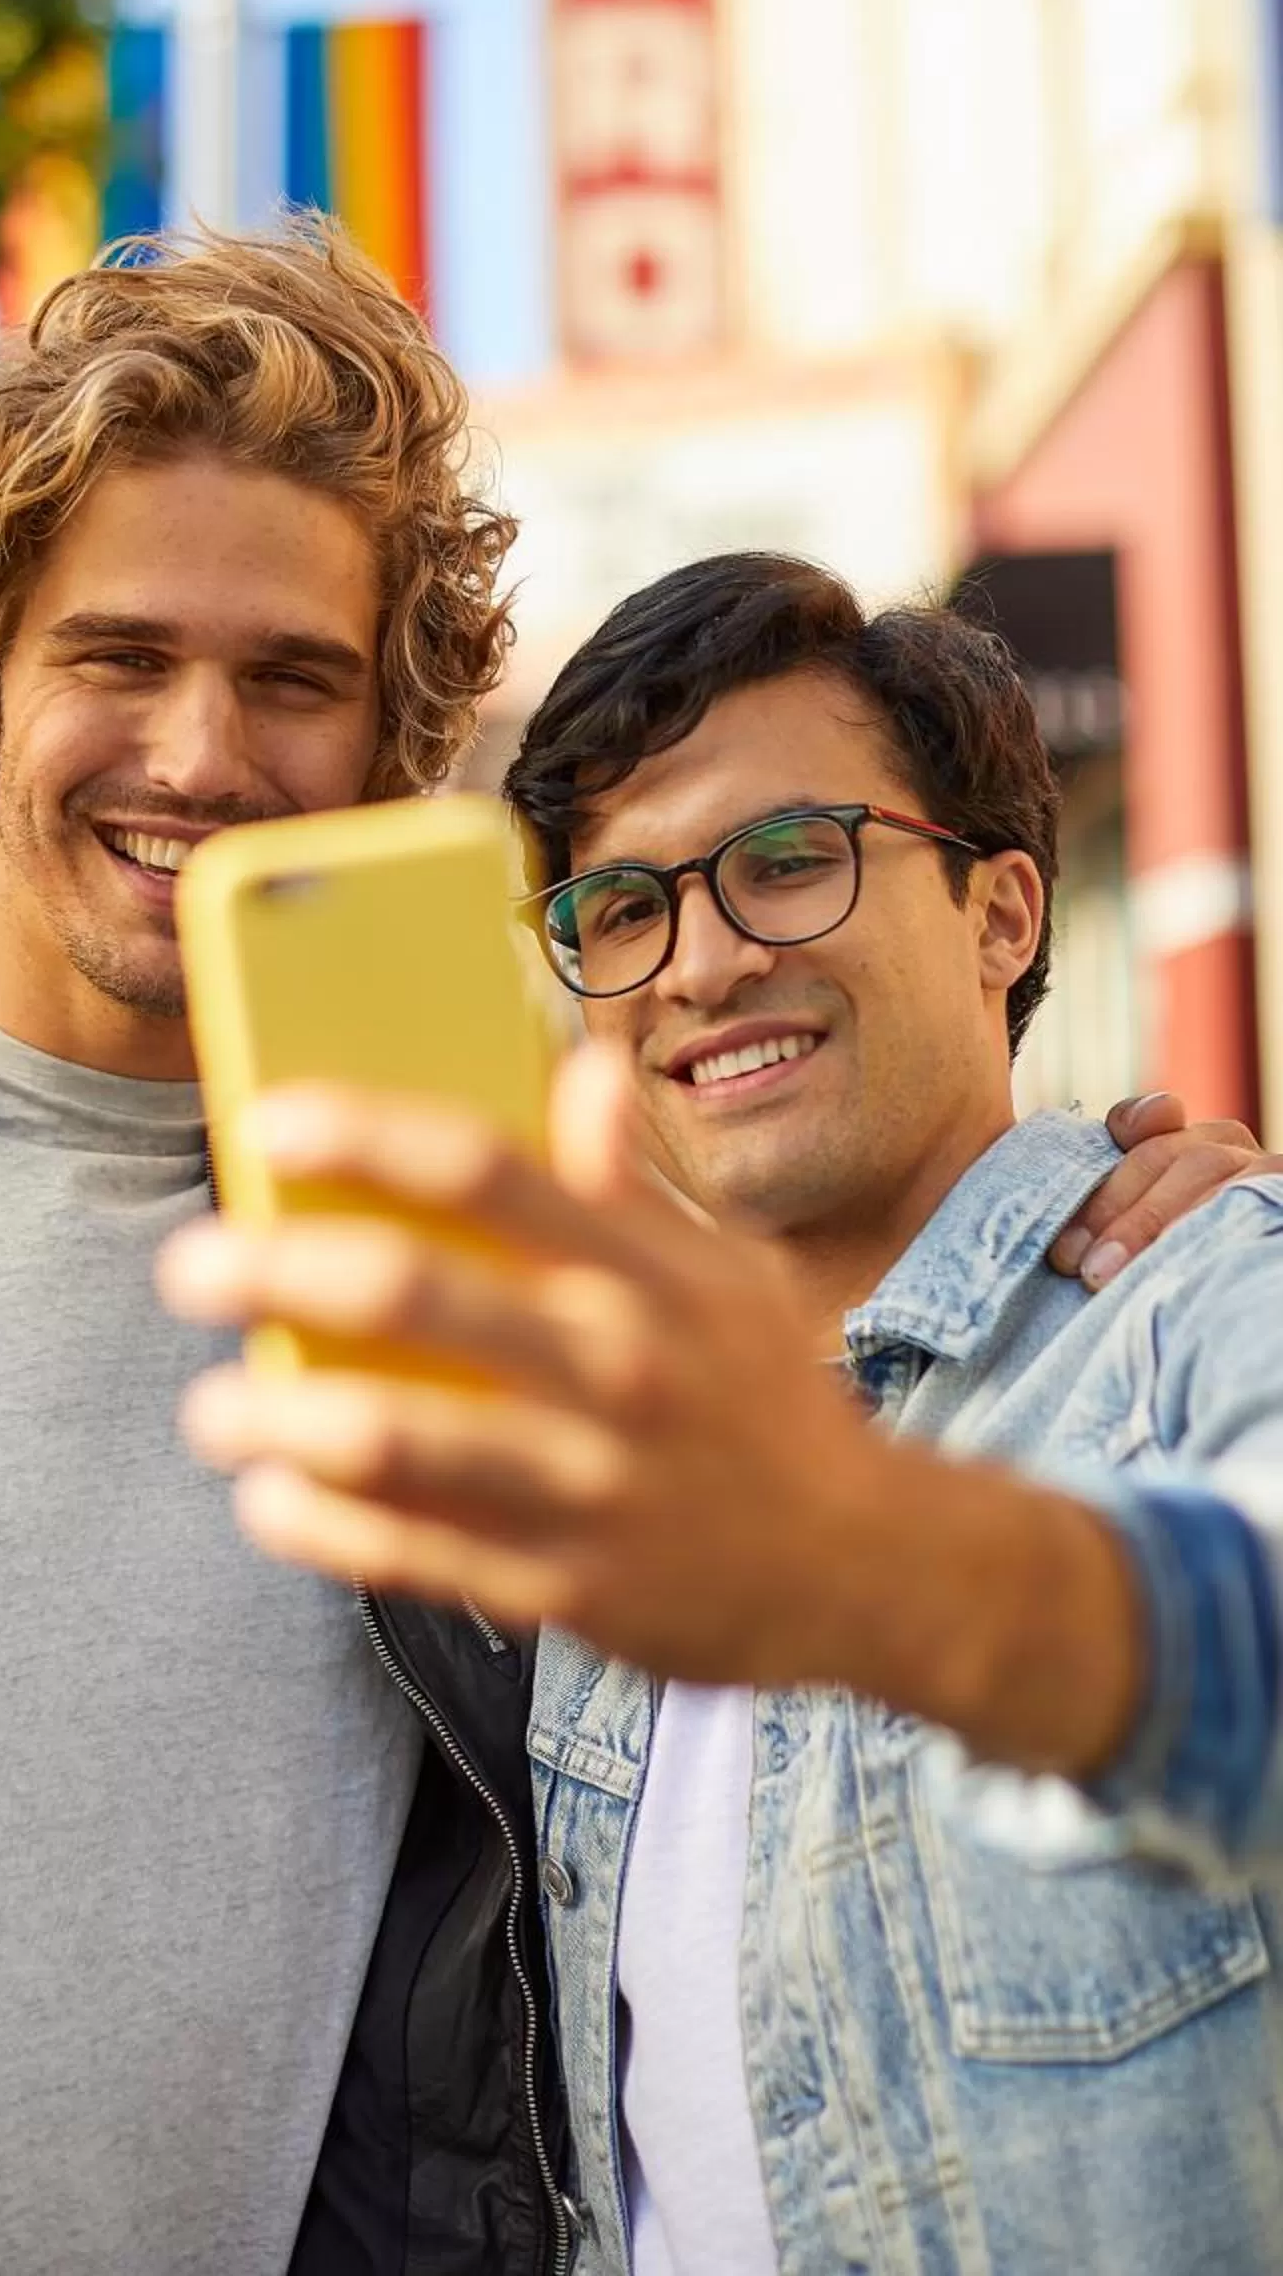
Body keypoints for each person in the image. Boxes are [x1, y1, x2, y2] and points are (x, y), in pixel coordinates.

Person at [0, 254, 1243, 2276]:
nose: (205, 755)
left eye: (293, 678)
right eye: (117, 657)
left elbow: (862, 1269)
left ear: (388, 734)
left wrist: (1089, 1172)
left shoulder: (493, 1241)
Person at [163, 550, 1283, 2276]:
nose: (694, 963)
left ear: (1002, 913)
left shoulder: (1209, 1302)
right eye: (620, 910)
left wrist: (874, 1564)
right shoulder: (596, 1461)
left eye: (784, 863)